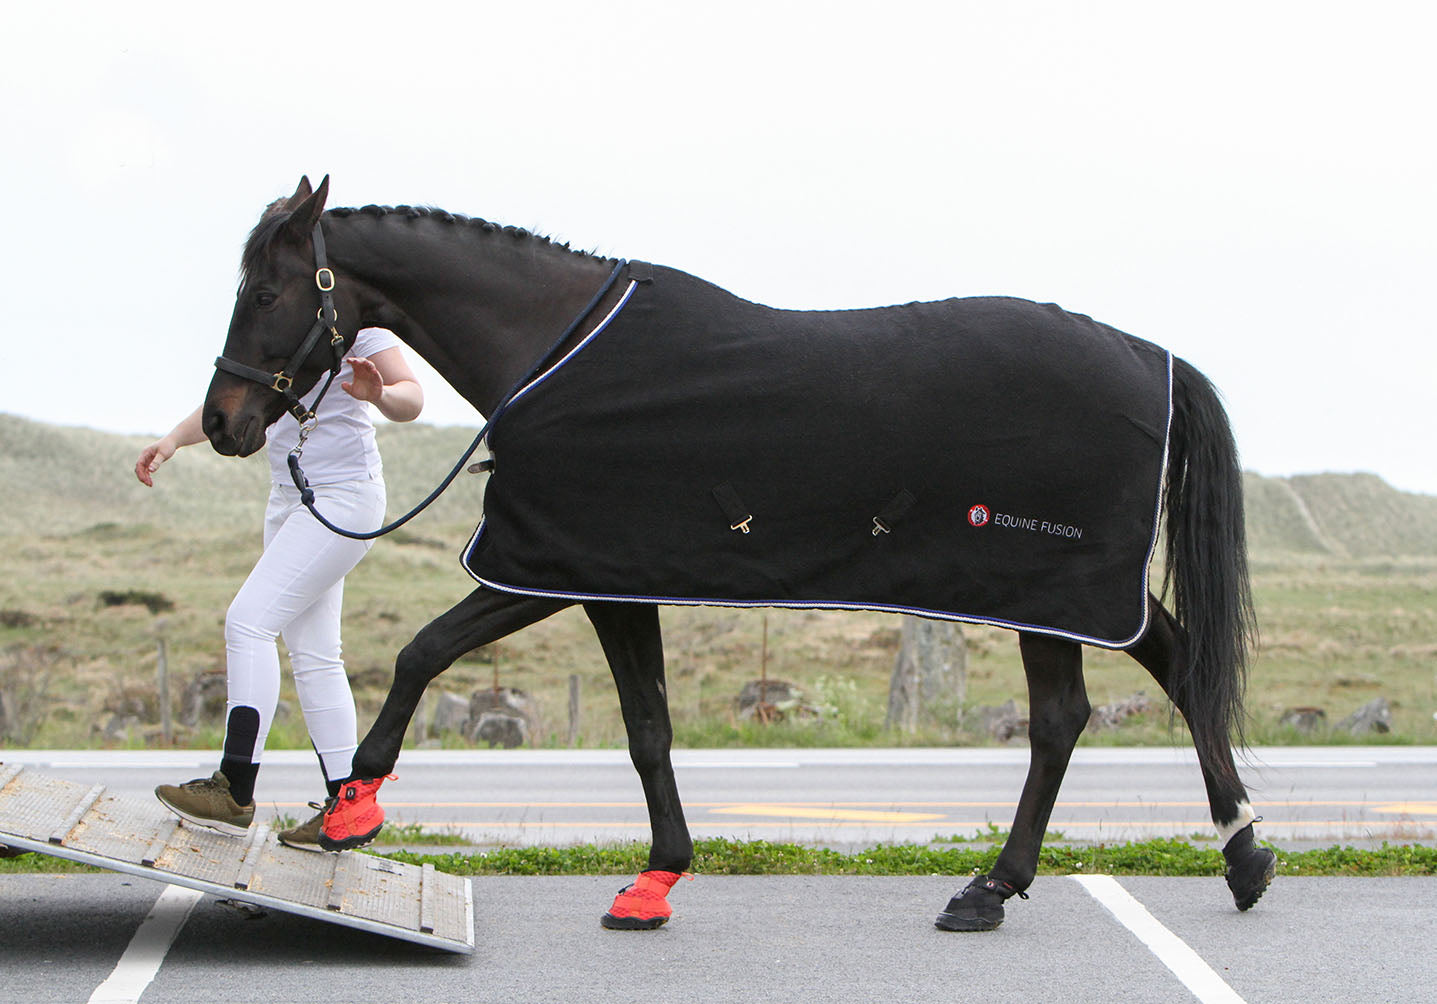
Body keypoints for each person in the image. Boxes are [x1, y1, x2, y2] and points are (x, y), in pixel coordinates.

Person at [135, 329, 423, 850]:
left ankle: (234, 789)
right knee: (315, 655)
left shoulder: (359, 328)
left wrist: (377, 392)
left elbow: (412, 398)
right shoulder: (278, 324)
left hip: (344, 495)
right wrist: (173, 439)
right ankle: (347, 806)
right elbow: (234, 397)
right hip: (289, 501)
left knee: (247, 623)